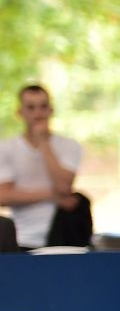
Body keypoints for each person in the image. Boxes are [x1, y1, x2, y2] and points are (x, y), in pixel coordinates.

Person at [0, 84, 87, 250]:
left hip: (63, 238)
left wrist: (44, 144)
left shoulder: (70, 146)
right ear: (20, 112)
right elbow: (3, 196)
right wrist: (53, 195)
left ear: (51, 110)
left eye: (43, 107)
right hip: (22, 238)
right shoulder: (6, 148)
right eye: (31, 108)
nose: (37, 113)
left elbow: (64, 185)